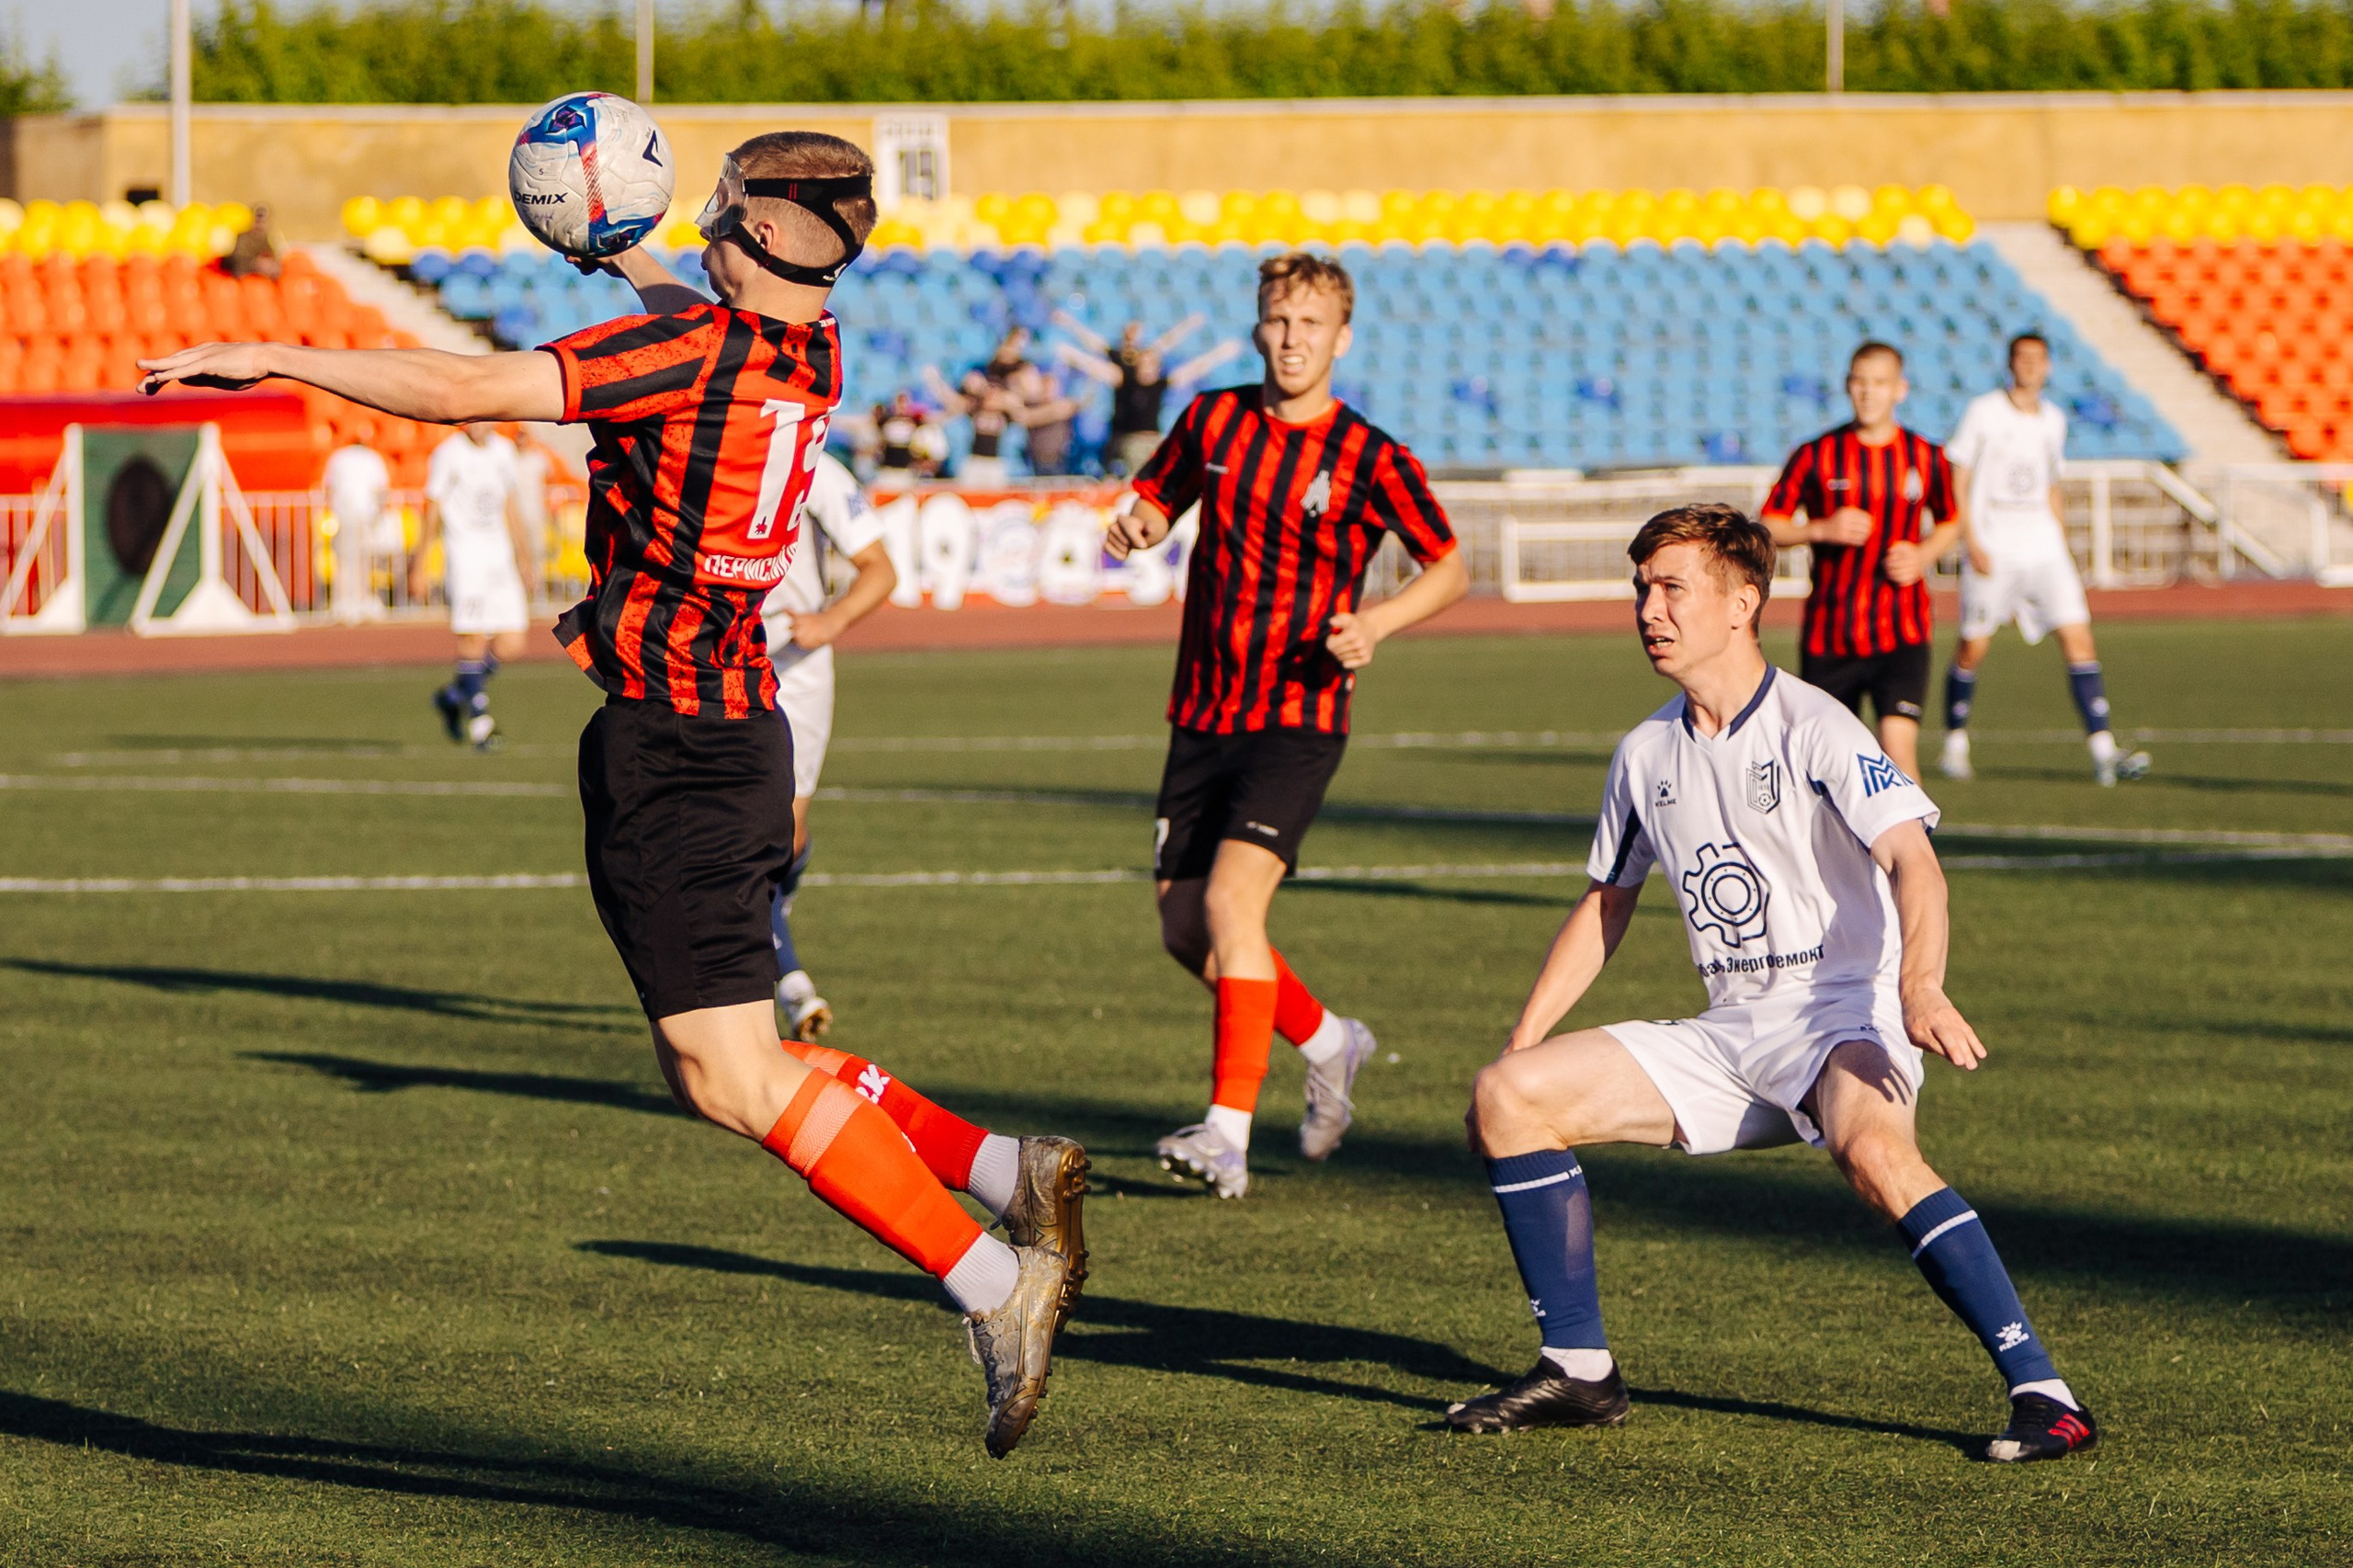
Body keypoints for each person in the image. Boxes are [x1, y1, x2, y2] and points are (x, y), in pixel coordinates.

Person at [138, 130, 1085, 1459]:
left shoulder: (687, 351)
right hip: (727, 725)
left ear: (756, 236)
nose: (699, 217)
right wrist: (627, 251)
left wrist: (282, 352)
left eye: (722, 206)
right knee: (715, 1065)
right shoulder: (795, 343)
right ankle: (1001, 1167)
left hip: (681, 746)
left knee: (733, 1071)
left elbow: (463, 386)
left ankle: (997, 1278)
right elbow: (685, 316)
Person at [1446, 505, 2097, 1464]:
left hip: (1843, 1009)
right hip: (1730, 1028)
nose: (1648, 608)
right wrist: (1525, 1037)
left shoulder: (1815, 725)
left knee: (1872, 1150)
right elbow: (1605, 904)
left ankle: (2046, 1392)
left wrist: (1919, 985)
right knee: (1507, 1095)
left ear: (1743, 599)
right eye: (1641, 588)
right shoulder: (1645, 752)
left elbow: (1915, 861)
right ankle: (1579, 1367)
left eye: (1671, 586)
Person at [1105, 252, 1470, 1199]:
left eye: (1311, 323)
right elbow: (1157, 499)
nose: (1292, 337)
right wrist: (1137, 523)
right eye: (1277, 319)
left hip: (1298, 713)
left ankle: (1226, 1133)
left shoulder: (1372, 455)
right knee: (1187, 931)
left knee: (1233, 908)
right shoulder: (1213, 418)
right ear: (1258, 327)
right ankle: (1325, 1037)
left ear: (1341, 338)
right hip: (1201, 710)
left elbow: (1449, 565)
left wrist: (1377, 623)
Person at [1940, 334, 2152, 788]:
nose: (2031, 366)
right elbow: (1960, 475)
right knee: (1973, 646)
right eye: (2023, 358)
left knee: (2079, 637)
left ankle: (2103, 750)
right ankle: (1955, 742)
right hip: (1993, 548)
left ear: (2049, 367)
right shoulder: (1984, 412)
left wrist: (2063, 541)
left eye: (2039, 359)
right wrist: (1969, 538)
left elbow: (2051, 483)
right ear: (2011, 363)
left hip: (2043, 548)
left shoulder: (2054, 419)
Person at [1760, 342, 1964, 784]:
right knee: (1828, 764)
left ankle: (1913, 853)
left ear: (1900, 390)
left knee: (1897, 750)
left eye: (1879, 383)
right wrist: (1820, 528)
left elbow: (1951, 519)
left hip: (1902, 631)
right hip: (1831, 633)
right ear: (1847, 387)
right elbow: (1770, 523)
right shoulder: (1816, 454)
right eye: (1859, 382)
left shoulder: (1925, 456)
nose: (1868, 393)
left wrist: (1924, 554)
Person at [762, 450, 899, 1041]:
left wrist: (830, 620)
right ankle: (791, 980)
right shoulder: (705, 448)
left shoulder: (814, 465)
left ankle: (775, 910)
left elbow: (879, 568)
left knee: (785, 838)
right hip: (717, 666)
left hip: (797, 670)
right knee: (751, 837)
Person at [410, 420, 530, 751]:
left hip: (500, 559)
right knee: (473, 637)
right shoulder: (448, 454)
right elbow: (432, 509)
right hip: (466, 559)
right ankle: (481, 723)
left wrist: (525, 555)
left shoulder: (504, 451)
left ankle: (453, 696)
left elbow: (510, 504)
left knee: (511, 645)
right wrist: (420, 562)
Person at [1055, 312, 1243, 476]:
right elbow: (1095, 357)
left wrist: (1215, 348)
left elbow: (1187, 363)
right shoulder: (1123, 373)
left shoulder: (1158, 379)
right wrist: (1072, 343)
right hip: (1126, 439)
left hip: (1152, 440)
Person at [322, 421, 390, 624]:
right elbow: (381, 491)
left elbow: (329, 488)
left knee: (344, 561)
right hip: (365, 515)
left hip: (344, 513)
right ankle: (359, 603)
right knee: (362, 561)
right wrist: (379, 516)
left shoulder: (339, 457)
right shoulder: (373, 458)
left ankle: (343, 604)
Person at [921, 365, 1018, 488]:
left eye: (996, 395)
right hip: (975, 461)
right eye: (990, 394)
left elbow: (1019, 407)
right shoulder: (974, 412)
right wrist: (935, 381)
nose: (992, 398)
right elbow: (952, 400)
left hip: (995, 463)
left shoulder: (1006, 416)